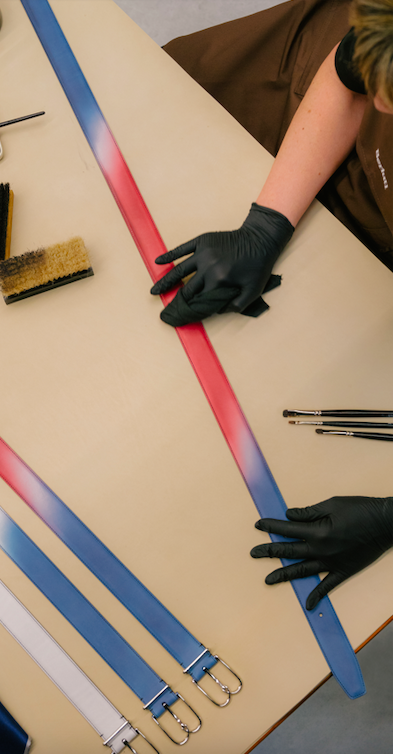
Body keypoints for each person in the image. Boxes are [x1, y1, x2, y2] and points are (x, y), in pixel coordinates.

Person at [154, 0, 393, 609]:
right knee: (158, 115)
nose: (383, 108)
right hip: (306, 96)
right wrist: (265, 226)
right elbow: (348, 77)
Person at [152, 0, 393, 327]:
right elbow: (349, 84)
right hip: (309, 70)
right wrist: (266, 226)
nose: (378, 101)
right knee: (164, 93)